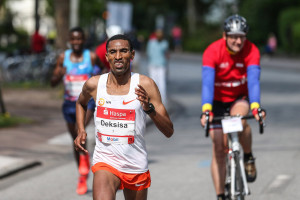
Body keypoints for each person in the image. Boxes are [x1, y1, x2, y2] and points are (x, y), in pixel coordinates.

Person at [74, 34, 174, 200]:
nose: (118, 56)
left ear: (132, 55)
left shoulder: (145, 85)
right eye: (113, 52)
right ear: (107, 57)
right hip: (105, 161)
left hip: (135, 163)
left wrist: (149, 109)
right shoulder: (94, 84)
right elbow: (81, 103)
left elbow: (169, 130)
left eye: (123, 51)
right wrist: (81, 129)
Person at [200, 14, 266, 200]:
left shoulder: (252, 50)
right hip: (216, 101)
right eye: (233, 37)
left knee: (239, 122)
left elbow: (253, 81)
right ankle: (221, 195)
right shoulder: (212, 51)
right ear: (224, 36)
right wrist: (206, 110)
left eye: (242, 37)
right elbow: (207, 83)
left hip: (239, 98)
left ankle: (248, 156)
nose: (238, 41)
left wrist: (256, 108)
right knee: (218, 148)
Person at [50, 27, 105, 195]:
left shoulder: (92, 57)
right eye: (73, 39)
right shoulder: (63, 58)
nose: (76, 42)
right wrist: (58, 75)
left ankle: (84, 170)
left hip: (87, 103)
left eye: (79, 39)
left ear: (84, 40)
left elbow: (104, 72)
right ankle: (82, 172)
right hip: (68, 105)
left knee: (80, 132)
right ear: (69, 40)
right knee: (75, 138)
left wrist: (96, 78)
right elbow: (52, 82)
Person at [146, 29, 169, 105]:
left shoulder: (151, 43)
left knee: (153, 82)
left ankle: (153, 99)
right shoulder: (165, 43)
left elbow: (148, 53)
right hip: (161, 64)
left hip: (153, 64)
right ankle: (162, 100)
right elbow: (167, 55)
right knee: (161, 83)